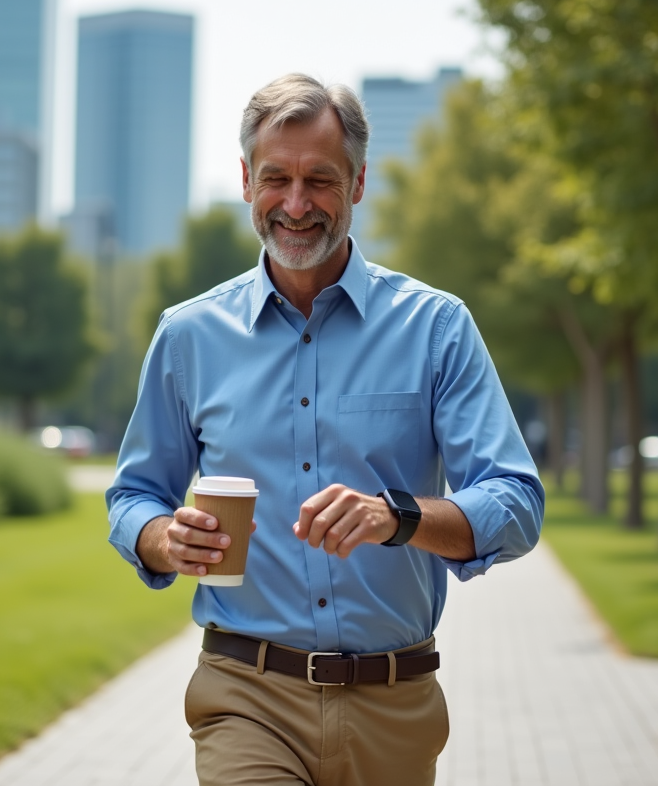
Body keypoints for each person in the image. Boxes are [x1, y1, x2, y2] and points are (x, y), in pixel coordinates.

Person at [106, 73, 544, 786]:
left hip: (395, 704)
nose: (297, 204)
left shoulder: (436, 328)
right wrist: (161, 538)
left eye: (321, 179)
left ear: (359, 183)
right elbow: (134, 496)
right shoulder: (188, 336)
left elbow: (516, 503)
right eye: (276, 177)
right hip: (245, 694)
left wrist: (396, 516)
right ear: (247, 180)